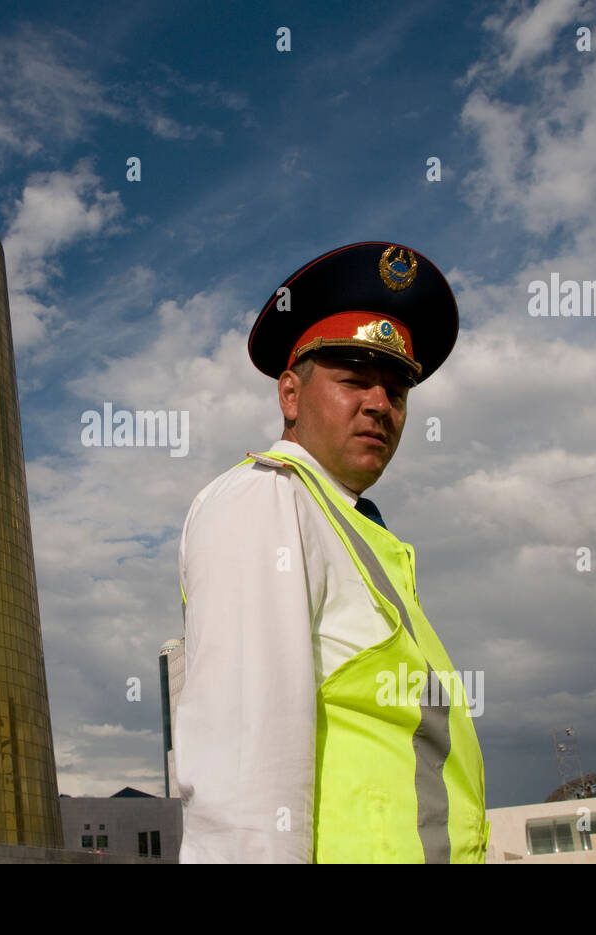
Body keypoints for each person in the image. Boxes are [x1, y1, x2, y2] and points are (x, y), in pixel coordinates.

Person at [175, 242, 488, 863]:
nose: (380, 404)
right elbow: (245, 776)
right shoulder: (267, 499)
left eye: (397, 391)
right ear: (290, 396)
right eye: (353, 381)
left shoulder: (348, 524)